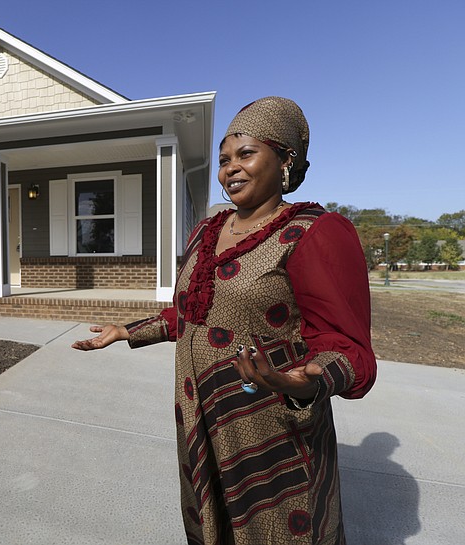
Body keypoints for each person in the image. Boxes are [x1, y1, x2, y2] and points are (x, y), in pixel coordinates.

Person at [72, 96, 377, 545]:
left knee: (272, 529)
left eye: (246, 154)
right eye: (223, 160)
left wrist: (306, 380)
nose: (230, 169)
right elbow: (195, 311)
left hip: (268, 423)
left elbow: (347, 344)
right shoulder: (207, 230)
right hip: (198, 415)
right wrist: (129, 331)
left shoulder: (314, 231)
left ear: (285, 160)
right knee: (212, 521)